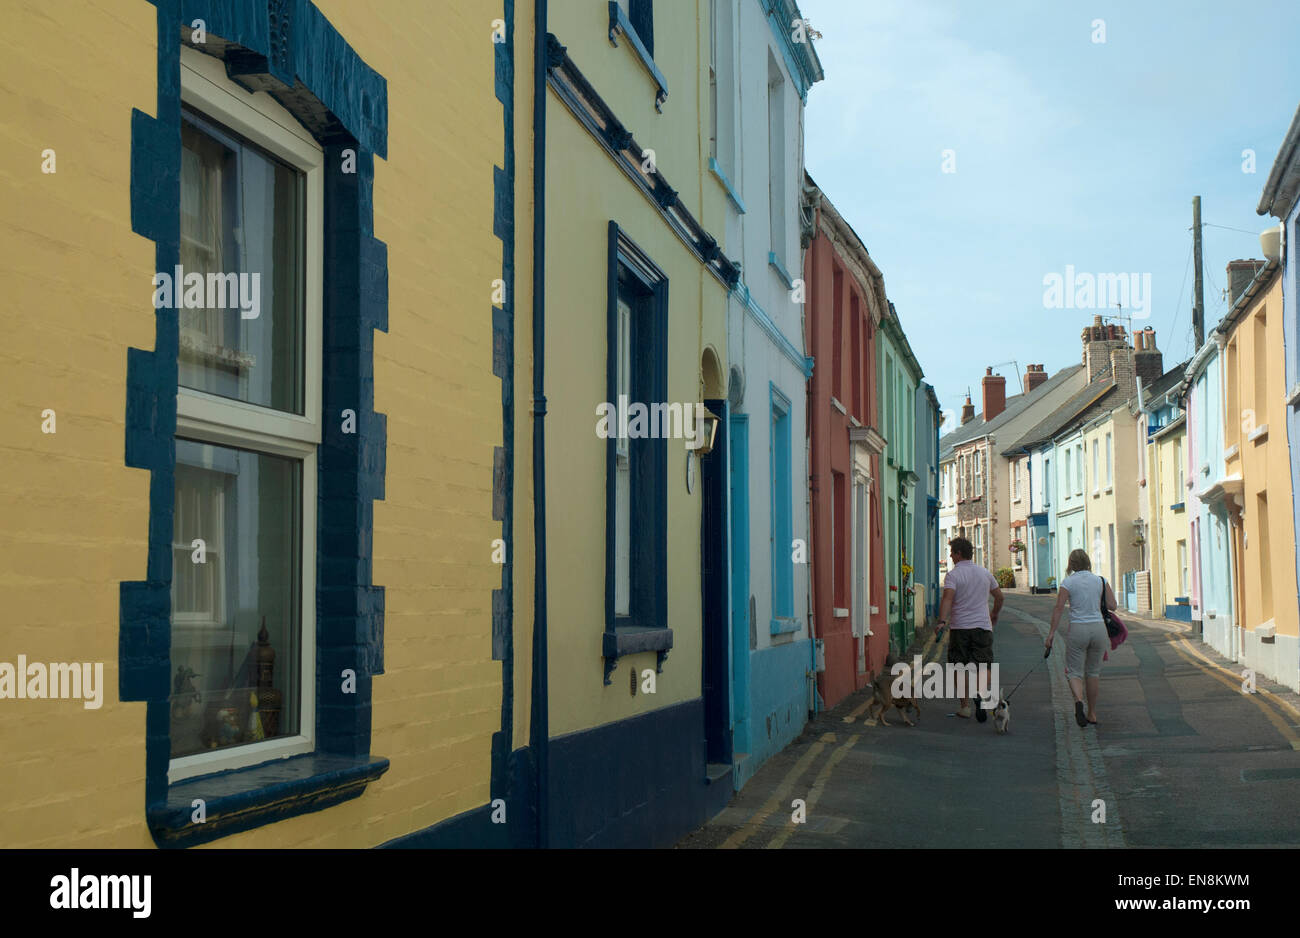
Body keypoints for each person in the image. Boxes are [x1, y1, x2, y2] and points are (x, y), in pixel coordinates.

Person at [1044, 548, 1117, 728]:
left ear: (1071, 564)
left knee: (1074, 671)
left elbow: (1059, 608)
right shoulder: (1100, 580)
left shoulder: (1068, 582)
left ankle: (1078, 701)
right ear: (1087, 562)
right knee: (1092, 672)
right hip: (1098, 629)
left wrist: (1051, 633)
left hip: (1078, 629)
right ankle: (1092, 713)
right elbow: (1113, 605)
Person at [935, 537, 1003, 720]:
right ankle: (980, 691)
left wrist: (942, 621)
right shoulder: (985, 573)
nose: (950, 556)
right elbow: (999, 597)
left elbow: (948, 598)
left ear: (958, 553)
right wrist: (994, 614)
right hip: (983, 626)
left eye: (952, 553)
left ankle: (965, 707)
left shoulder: (954, 575)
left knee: (959, 667)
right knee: (985, 664)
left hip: (960, 628)